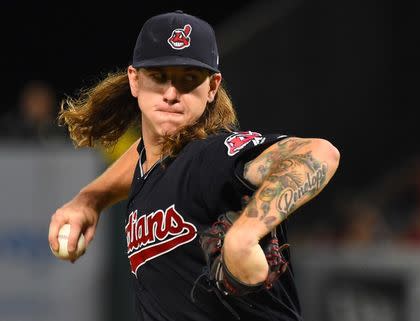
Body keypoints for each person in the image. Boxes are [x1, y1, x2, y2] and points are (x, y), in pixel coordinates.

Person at [48, 10, 340, 321]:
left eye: (188, 79)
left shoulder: (212, 157)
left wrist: (246, 233)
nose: (171, 94)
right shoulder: (155, 158)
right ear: (135, 80)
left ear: (213, 86)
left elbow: (318, 152)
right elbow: (145, 153)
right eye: (159, 77)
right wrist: (90, 200)